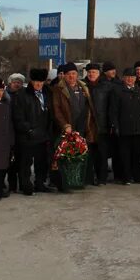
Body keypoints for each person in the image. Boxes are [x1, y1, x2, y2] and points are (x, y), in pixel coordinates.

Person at [51, 62, 98, 191]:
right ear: (64, 76)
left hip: (82, 126)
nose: (71, 76)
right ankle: (65, 182)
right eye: (68, 74)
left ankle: (80, 180)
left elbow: (89, 107)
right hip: (67, 127)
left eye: (73, 73)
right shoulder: (58, 89)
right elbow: (57, 110)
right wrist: (65, 125)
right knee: (65, 156)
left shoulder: (83, 88)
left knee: (81, 154)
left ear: (77, 75)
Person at [11, 68, 53, 195]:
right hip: (28, 135)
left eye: (41, 81)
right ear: (31, 81)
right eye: (36, 81)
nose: (38, 84)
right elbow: (18, 116)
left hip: (43, 135)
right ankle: (26, 185)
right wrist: (28, 129)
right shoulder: (22, 95)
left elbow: (50, 113)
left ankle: (40, 183)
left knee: (42, 163)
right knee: (25, 163)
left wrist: (47, 130)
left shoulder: (47, 93)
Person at [110, 68, 140, 185]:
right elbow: (113, 110)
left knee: (137, 154)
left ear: (136, 78)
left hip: (138, 128)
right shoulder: (118, 91)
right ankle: (126, 176)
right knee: (125, 155)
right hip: (124, 128)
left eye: (132, 77)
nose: (130, 79)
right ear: (123, 78)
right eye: (128, 77)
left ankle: (138, 176)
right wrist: (115, 125)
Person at [84, 63, 110, 185]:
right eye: (89, 72)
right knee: (88, 154)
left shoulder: (106, 86)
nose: (91, 74)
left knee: (102, 154)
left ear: (99, 73)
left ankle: (102, 178)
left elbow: (111, 106)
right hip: (87, 125)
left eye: (94, 72)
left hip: (102, 124)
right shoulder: (82, 86)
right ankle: (88, 178)